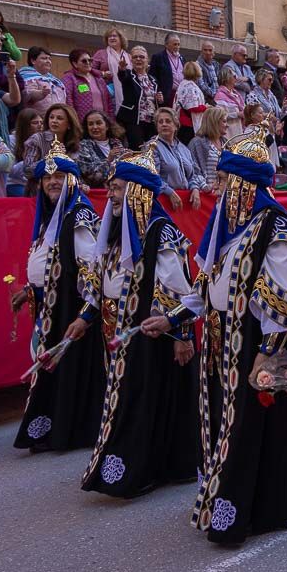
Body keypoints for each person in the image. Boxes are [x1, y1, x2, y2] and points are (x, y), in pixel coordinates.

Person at [141, 127, 287, 544]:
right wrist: (172, 318)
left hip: (255, 344)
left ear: (242, 184)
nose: (216, 188)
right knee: (221, 418)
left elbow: (286, 300)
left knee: (252, 425)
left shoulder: (277, 228)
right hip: (222, 342)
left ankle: (251, 508)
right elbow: (206, 288)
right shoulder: (225, 227)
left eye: (222, 180)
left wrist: (267, 355)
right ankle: (220, 494)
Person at [80, 149, 200, 498]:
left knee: (144, 399)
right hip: (115, 331)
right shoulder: (116, 231)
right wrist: (85, 318)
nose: (111, 195)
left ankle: (138, 469)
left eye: (117, 188)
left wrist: (180, 335)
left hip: (153, 335)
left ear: (136, 191)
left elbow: (178, 291)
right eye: (111, 188)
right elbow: (103, 281)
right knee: (123, 397)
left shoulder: (162, 233)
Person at [10, 140, 105, 452]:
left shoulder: (78, 216)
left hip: (70, 309)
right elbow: (49, 265)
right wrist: (28, 290)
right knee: (52, 369)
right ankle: (50, 426)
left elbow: (92, 268)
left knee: (68, 372)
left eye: (60, 177)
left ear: (72, 181)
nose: (52, 182)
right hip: (49, 307)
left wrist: (86, 314)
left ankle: (70, 429)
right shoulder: (50, 218)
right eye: (47, 178)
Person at [150, 108, 207, 209]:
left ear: (176, 125)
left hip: (185, 202)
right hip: (164, 202)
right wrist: (169, 191)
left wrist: (195, 188)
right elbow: (151, 177)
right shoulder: (152, 147)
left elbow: (193, 174)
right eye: (160, 122)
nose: (164, 124)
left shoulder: (184, 149)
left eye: (168, 121)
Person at [21, 103, 81, 197]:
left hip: (67, 194)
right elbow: (27, 170)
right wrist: (53, 158)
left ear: (69, 124)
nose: (54, 121)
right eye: (51, 117)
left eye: (59, 118)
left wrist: (81, 183)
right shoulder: (36, 139)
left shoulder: (74, 144)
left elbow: (76, 170)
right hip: (39, 194)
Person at [117, 45, 162, 148]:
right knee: (137, 149)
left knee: (151, 150)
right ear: (131, 60)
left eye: (141, 57)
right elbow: (122, 77)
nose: (138, 59)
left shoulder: (153, 79)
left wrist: (159, 99)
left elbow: (155, 99)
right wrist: (122, 69)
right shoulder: (129, 75)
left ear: (147, 60)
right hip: (134, 120)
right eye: (135, 57)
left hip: (151, 121)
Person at [76, 110, 127, 188]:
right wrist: (108, 160)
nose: (95, 127)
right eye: (90, 124)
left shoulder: (116, 143)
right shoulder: (83, 145)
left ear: (107, 126)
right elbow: (92, 177)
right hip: (97, 192)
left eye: (98, 123)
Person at [63, 48, 112, 120]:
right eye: (84, 61)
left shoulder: (99, 78)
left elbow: (109, 102)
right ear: (75, 64)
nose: (88, 63)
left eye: (90, 60)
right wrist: (74, 121)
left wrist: (111, 120)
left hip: (102, 122)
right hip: (82, 123)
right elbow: (68, 101)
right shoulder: (69, 78)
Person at [188, 106, 231, 187]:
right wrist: (204, 187)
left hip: (224, 194)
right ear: (214, 122)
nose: (227, 125)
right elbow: (193, 171)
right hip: (206, 194)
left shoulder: (226, 143)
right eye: (224, 121)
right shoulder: (197, 143)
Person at [92, 28, 132, 112]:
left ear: (121, 39)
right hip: (107, 92)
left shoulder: (128, 57)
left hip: (126, 94)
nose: (111, 38)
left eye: (114, 36)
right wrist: (102, 74)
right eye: (109, 36)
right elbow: (90, 70)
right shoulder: (101, 53)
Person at [7, 109, 44, 197]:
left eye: (41, 123)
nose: (40, 126)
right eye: (35, 123)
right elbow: (11, 172)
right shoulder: (11, 140)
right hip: (15, 183)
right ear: (25, 125)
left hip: (36, 184)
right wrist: (28, 160)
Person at [173, 62, 208, 143]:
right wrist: (206, 107)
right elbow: (192, 107)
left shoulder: (183, 84)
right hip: (188, 124)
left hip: (182, 121)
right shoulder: (190, 87)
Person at [149, 32, 185, 108]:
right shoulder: (158, 57)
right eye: (175, 44)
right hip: (166, 95)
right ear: (166, 45)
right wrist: (158, 92)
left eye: (178, 44)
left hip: (180, 96)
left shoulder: (182, 58)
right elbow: (152, 77)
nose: (177, 47)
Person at [214, 66, 247, 140]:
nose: (236, 78)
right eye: (234, 76)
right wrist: (237, 114)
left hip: (238, 130)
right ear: (226, 78)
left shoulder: (236, 94)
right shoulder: (220, 95)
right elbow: (219, 116)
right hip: (229, 133)